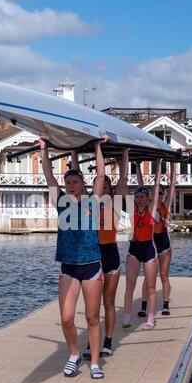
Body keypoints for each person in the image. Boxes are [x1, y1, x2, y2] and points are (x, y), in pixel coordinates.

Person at [40, 136, 107, 379]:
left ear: (82, 185)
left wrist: (99, 146)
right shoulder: (61, 204)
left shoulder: (93, 202)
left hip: (91, 266)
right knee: (67, 318)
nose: (70, 186)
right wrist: (44, 148)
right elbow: (49, 177)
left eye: (74, 182)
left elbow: (100, 176)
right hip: (68, 266)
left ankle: (96, 363)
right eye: (67, 182)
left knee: (91, 317)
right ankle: (73, 354)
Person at [71, 149, 129, 358]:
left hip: (110, 253)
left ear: (110, 189)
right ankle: (91, 341)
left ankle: (108, 341)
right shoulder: (89, 203)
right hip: (93, 254)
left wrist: (124, 155)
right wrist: (73, 153)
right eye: (99, 185)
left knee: (109, 302)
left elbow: (123, 178)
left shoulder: (115, 203)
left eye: (105, 185)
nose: (102, 187)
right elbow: (76, 174)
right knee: (92, 305)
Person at [123, 158, 162, 330]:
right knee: (129, 285)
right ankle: (126, 317)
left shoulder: (152, 210)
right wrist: (127, 163)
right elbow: (124, 188)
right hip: (134, 249)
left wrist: (158, 164)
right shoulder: (132, 210)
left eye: (142, 197)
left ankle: (151, 318)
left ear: (148, 199)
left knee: (151, 286)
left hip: (148, 250)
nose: (139, 199)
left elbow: (154, 187)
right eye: (137, 197)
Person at [136, 162, 176, 316]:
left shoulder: (166, 205)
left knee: (164, 275)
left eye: (160, 193)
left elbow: (172, 185)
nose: (158, 195)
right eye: (155, 192)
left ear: (163, 195)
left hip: (163, 242)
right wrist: (138, 167)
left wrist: (173, 167)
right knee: (148, 276)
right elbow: (141, 186)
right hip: (150, 242)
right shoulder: (147, 206)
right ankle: (143, 306)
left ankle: (165, 304)